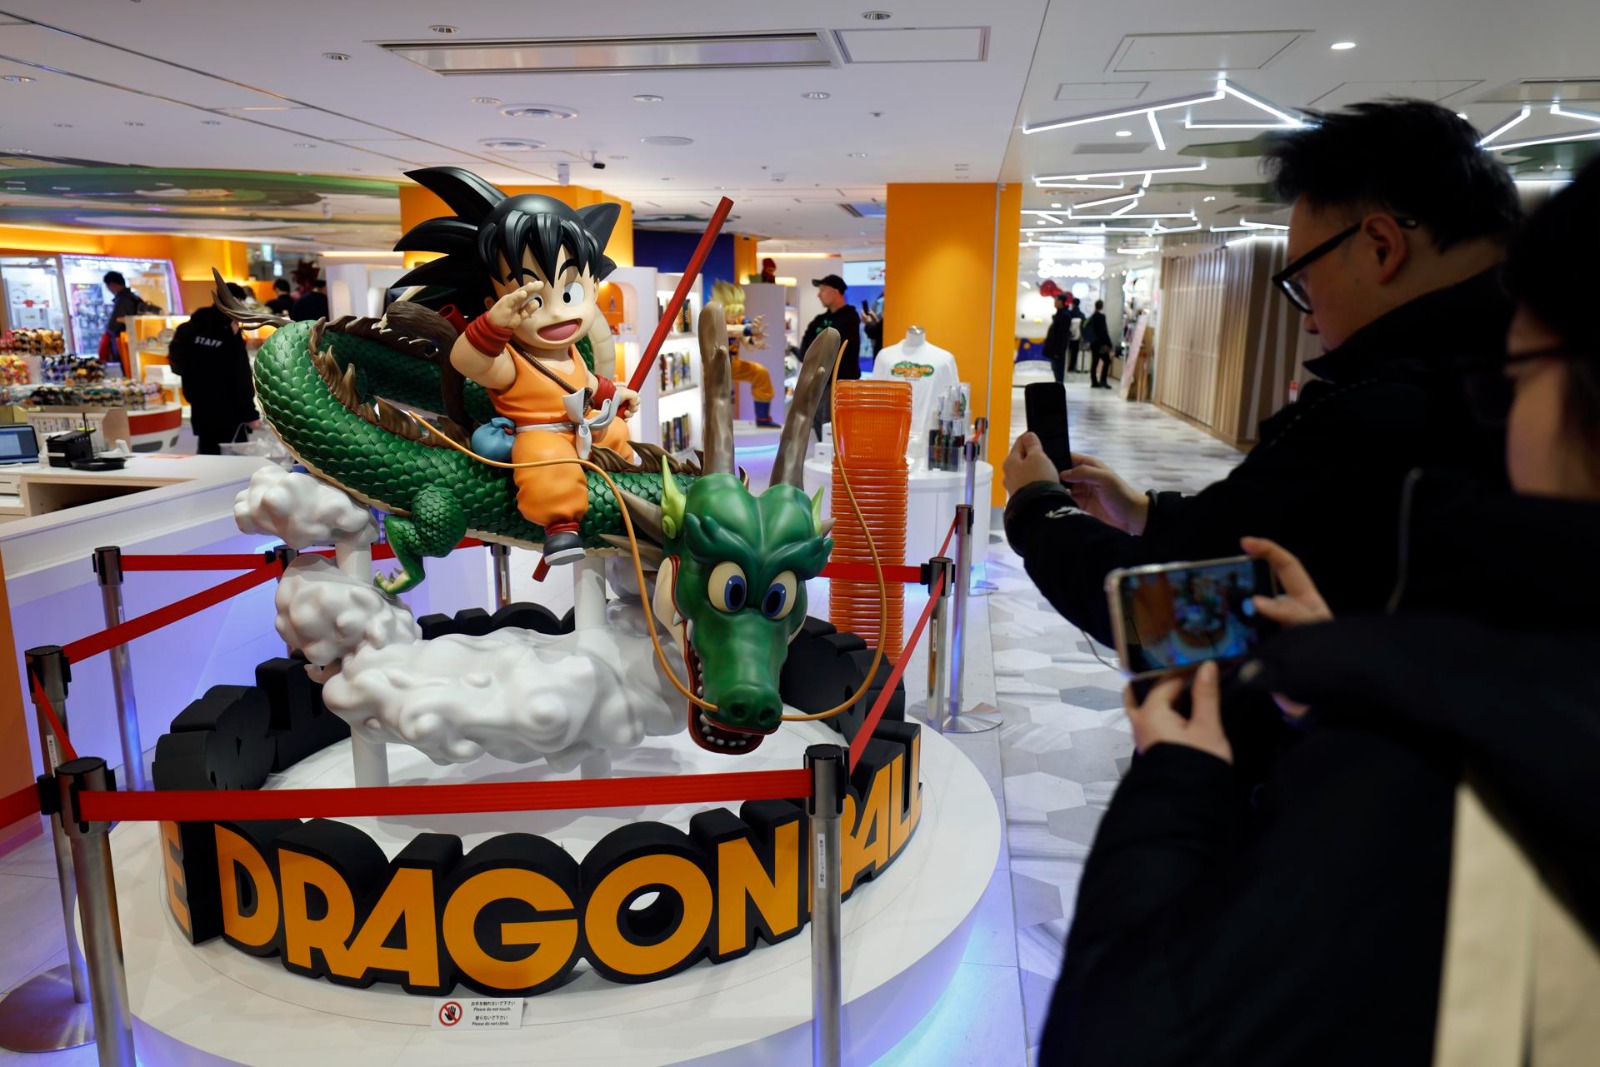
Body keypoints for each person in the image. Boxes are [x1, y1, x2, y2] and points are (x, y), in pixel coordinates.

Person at [1040, 157, 1600, 1067]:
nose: (1303, 313)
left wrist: (1178, 776)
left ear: (1379, 245)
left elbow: (1121, 1032)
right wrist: (1350, 678)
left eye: (1521, 377)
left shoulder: (1461, 772)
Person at [1002, 100, 1520, 647]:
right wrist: (1144, 513)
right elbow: (1281, 537)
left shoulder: (1384, 415)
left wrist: (1039, 506)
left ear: (1382, 247)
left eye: (1304, 280)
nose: (1309, 319)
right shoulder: (1517, 381)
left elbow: (1164, 618)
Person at [393, 167, 637, 567]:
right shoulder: (512, 360)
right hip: (542, 437)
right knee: (547, 464)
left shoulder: (571, 352)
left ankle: (630, 477)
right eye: (535, 301)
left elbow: (586, 383)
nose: (557, 313)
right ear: (496, 304)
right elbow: (467, 360)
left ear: (593, 287)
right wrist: (492, 327)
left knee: (617, 432)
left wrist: (614, 393)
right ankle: (561, 527)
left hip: (583, 427)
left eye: (571, 292)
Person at [168, 282, 260, 455]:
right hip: (230, 414)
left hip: (201, 409)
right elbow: (240, 377)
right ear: (234, 300)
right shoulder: (228, 332)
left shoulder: (191, 328)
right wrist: (250, 414)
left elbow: (177, 364)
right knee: (235, 462)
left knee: (208, 457)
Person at [802, 273, 862, 441]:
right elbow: (805, 347)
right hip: (819, 381)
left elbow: (841, 349)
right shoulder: (819, 320)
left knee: (831, 426)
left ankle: (834, 455)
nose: (818, 295)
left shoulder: (850, 318)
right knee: (817, 421)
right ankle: (825, 454)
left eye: (822, 290)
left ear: (835, 292)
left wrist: (817, 353)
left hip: (839, 382)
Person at [100, 270, 152, 364]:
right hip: (136, 341)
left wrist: (107, 328)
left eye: (108, 286)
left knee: (128, 367)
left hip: (125, 344)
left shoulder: (123, 300)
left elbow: (113, 326)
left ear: (112, 284)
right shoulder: (133, 298)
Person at [727, 332, 779, 427]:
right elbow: (730, 330)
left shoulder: (739, 323)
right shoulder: (719, 322)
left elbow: (747, 342)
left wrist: (753, 341)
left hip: (731, 362)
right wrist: (744, 330)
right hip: (715, 363)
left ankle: (762, 418)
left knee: (760, 373)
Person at [1043, 292, 1072, 383]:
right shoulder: (1059, 315)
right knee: (1055, 370)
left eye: (1056, 300)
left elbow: (1062, 336)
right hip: (1054, 349)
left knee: (1058, 371)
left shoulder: (1064, 316)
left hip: (1058, 351)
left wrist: (1058, 351)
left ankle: (1059, 388)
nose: (1054, 302)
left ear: (1061, 301)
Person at [1084, 299, 1113, 388]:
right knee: (1107, 361)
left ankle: (1094, 381)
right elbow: (1103, 331)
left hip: (1093, 343)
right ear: (1102, 306)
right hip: (1101, 344)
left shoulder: (1092, 317)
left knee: (1095, 362)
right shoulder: (1101, 317)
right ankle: (1103, 380)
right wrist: (1109, 343)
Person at [1065, 296, 1086, 374]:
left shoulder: (1069, 313)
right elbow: (1084, 326)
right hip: (1078, 336)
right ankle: (1071, 367)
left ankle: (1066, 366)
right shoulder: (1082, 315)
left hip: (1068, 336)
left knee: (1067, 352)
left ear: (1072, 304)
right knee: (1074, 353)